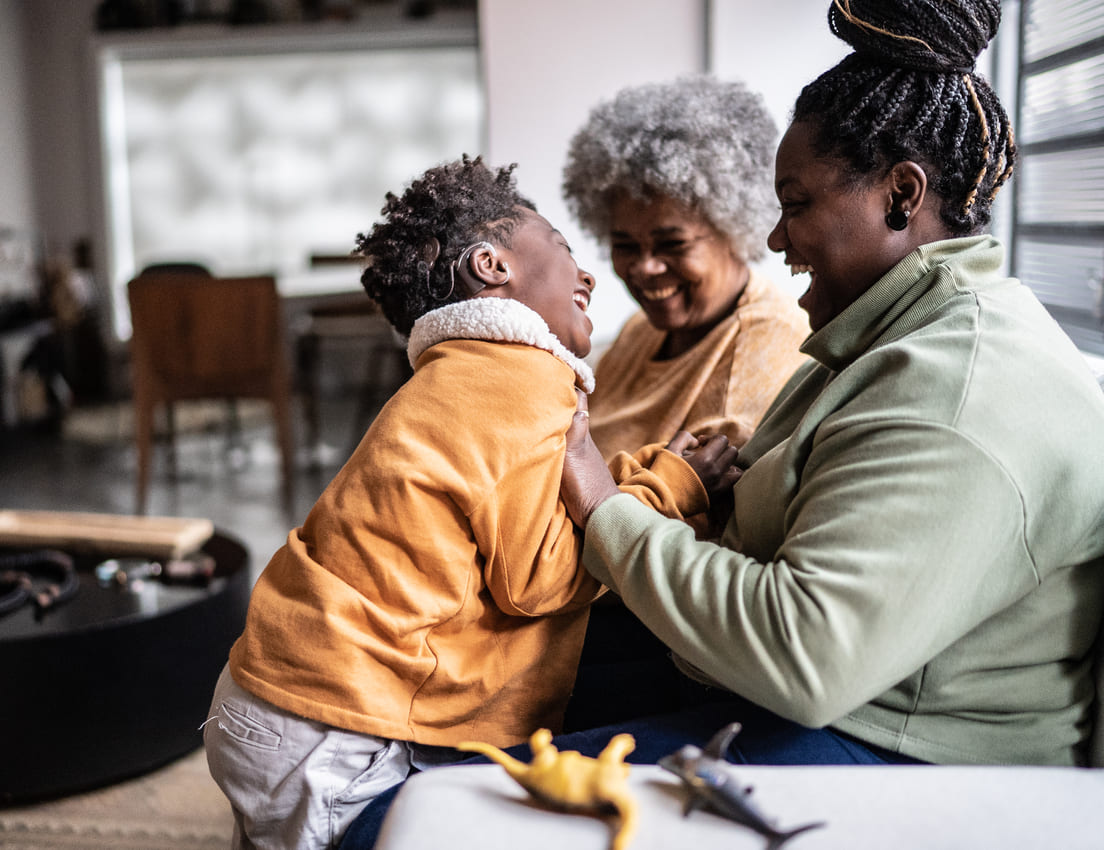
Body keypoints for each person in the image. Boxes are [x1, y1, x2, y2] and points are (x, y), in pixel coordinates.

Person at [557, 0, 1104, 769]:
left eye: (797, 205)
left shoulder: (959, 392)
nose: (777, 237)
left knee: (419, 803)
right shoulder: (879, 338)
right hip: (782, 697)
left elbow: (800, 656)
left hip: (884, 748)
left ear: (901, 196)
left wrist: (604, 508)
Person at [203, 155, 716, 850]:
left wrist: (631, 475)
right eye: (565, 249)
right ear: (492, 267)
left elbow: (531, 505)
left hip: (277, 690)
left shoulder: (458, 378)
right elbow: (540, 580)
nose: (588, 274)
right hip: (335, 719)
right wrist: (670, 485)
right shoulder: (529, 374)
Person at [561, 75, 810, 462]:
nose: (645, 267)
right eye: (624, 245)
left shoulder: (769, 344)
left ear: (733, 227)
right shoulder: (639, 332)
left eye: (672, 244)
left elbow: (702, 511)